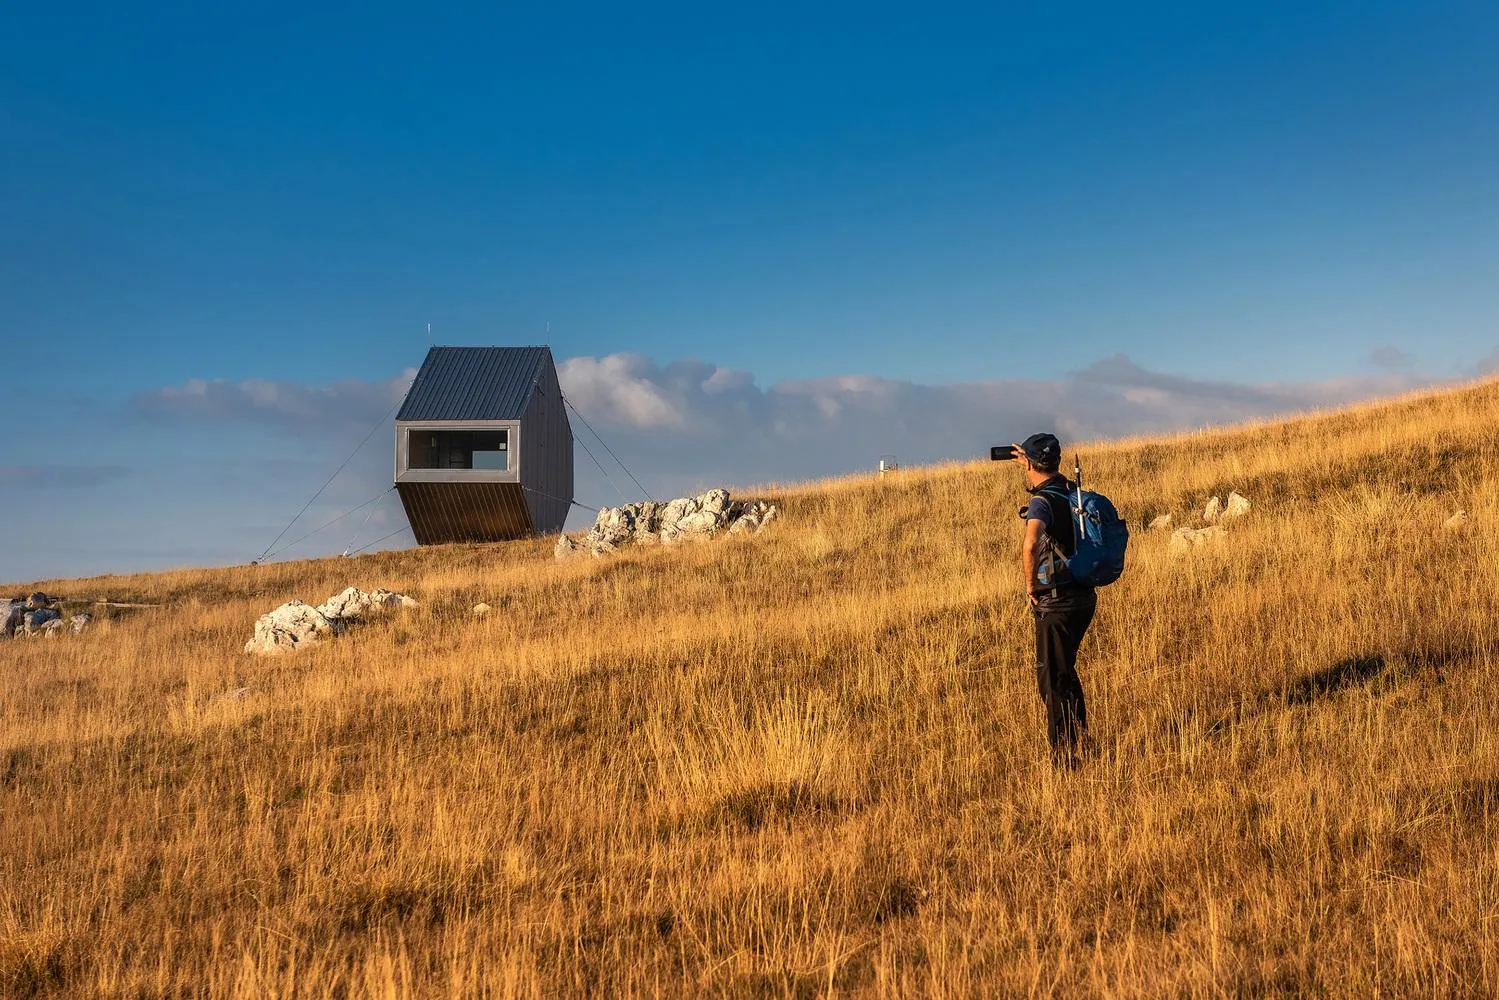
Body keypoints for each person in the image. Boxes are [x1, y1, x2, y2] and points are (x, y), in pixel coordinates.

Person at [1013, 432, 1097, 768]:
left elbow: (1031, 544)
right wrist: (1031, 463)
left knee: (1052, 679)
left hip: (1055, 601)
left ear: (1031, 463)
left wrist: (1031, 587)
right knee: (1066, 669)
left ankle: (1064, 756)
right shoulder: (1069, 490)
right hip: (1083, 597)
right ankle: (1081, 736)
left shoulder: (1040, 502)